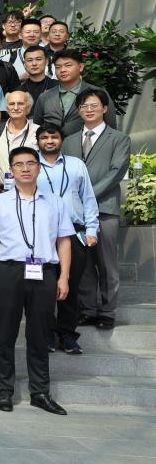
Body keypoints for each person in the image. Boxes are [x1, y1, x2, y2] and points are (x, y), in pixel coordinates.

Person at [0, 146, 74, 415]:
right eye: (18, 164)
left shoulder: (55, 202)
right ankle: (4, 391)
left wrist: (64, 276)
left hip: (44, 273)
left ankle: (40, 392)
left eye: (30, 163)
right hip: (8, 273)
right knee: (5, 334)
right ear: (11, 170)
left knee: (40, 335)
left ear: (39, 168)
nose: (25, 168)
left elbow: (64, 241)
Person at [65, 90, 130, 331]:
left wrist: (87, 196)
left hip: (104, 208)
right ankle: (88, 310)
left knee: (106, 263)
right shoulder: (69, 141)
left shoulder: (119, 139)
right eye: (84, 106)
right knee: (83, 264)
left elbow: (116, 171)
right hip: (76, 212)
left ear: (104, 108)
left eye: (94, 105)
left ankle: (108, 311)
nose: (89, 110)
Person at [36, 124, 99, 355]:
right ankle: (48, 334)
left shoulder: (76, 165)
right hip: (41, 235)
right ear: (38, 141)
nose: (49, 141)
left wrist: (92, 229)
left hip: (73, 233)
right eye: (44, 137)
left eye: (53, 137)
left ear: (61, 140)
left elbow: (88, 198)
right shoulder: (31, 166)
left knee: (70, 288)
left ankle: (68, 335)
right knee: (43, 288)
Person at [31, 49, 116, 136]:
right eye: (58, 67)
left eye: (68, 65)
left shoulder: (98, 93)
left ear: (80, 67)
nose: (62, 70)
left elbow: (111, 128)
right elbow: (37, 128)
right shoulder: (45, 97)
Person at [0, 91, 39, 193]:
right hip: (0, 192)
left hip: (30, 192)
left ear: (28, 107)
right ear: (7, 108)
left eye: (20, 104)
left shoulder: (37, 131)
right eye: (11, 104)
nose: (15, 108)